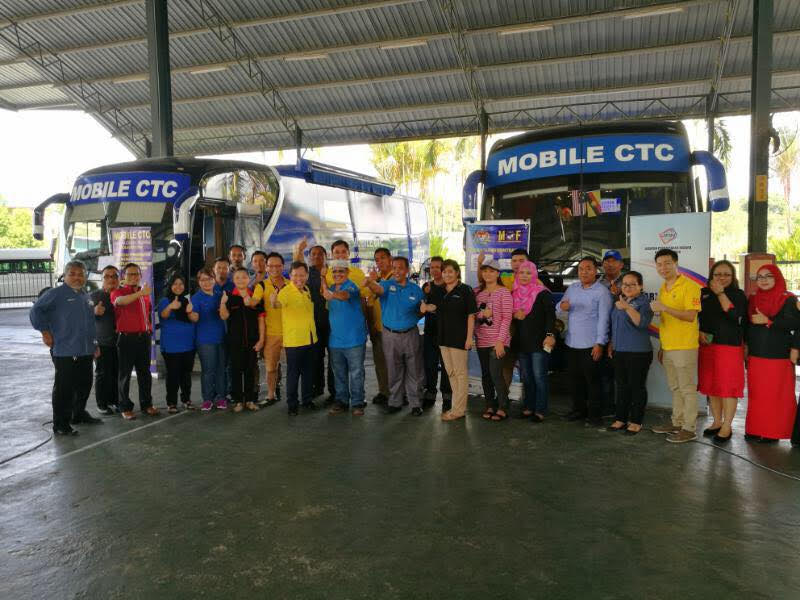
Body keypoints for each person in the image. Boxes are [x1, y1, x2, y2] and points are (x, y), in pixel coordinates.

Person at [30, 260, 100, 436]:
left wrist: (94, 344)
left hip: (85, 350)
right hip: (65, 350)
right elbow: (36, 311)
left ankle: (78, 414)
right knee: (64, 389)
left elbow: (90, 323)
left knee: (84, 385)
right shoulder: (56, 294)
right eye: (72, 274)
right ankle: (60, 424)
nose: (77, 277)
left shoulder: (85, 295)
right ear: (65, 276)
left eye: (81, 274)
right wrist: (45, 331)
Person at [649, 248, 702, 443]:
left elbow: (690, 316)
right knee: (675, 387)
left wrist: (665, 307)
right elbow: (666, 319)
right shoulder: (664, 288)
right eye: (659, 264)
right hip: (669, 346)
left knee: (687, 388)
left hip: (684, 346)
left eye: (667, 263)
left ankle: (689, 428)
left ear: (676, 264)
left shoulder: (690, 286)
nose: (663, 267)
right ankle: (677, 422)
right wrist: (663, 347)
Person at [744, 264, 800, 443]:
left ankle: (772, 433)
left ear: (777, 277)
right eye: (760, 277)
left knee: (775, 396)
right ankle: (755, 429)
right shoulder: (754, 299)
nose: (764, 280)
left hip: (778, 355)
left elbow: (795, 324)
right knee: (757, 395)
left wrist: (769, 321)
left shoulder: (788, 299)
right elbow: (748, 325)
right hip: (756, 354)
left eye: (769, 276)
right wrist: (746, 346)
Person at [365, 256, 424, 416]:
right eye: (394, 268)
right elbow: (378, 289)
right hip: (390, 335)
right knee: (393, 369)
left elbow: (421, 310)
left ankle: (415, 404)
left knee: (414, 370)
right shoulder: (386, 284)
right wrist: (370, 282)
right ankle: (395, 402)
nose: (397, 271)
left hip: (411, 334)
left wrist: (421, 312)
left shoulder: (416, 290)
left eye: (400, 268)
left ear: (407, 270)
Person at [698, 260, 747, 443]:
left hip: (729, 347)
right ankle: (717, 421)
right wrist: (699, 331)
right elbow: (698, 317)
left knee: (728, 388)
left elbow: (734, 315)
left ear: (733, 277)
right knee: (712, 386)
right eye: (718, 274)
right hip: (708, 346)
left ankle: (727, 426)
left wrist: (720, 293)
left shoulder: (738, 295)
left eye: (727, 274)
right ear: (712, 276)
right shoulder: (703, 293)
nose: (722, 278)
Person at [421, 260, 477, 421]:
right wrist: (426, 307)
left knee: (460, 374)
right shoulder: (440, 290)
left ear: (457, 272)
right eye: (444, 271)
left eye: (450, 271)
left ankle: (459, 410)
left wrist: (469, 338)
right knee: (451, 373)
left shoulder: (465, 290)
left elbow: (471, 315)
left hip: (459, 339)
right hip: (443, 338)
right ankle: (456, 407)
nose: (447, 274)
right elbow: (435, 307)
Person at [559, 256, 612, 426]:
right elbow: (559, 308)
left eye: (588, 268)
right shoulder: (572, 288)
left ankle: (595, 415)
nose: (584, 272)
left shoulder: (602, 292)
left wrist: (600, 343)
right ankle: (579, 410)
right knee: (575, 380)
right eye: (581, 269)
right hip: (571, 343)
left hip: (591, 345)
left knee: (593, 382)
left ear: (596, 271)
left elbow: (604, 320)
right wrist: (561, 307)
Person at [606, 271, 653, 435]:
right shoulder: (620, 300)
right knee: (622, 386)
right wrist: (612, 343)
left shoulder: (644, 303)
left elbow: (642, 323)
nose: (627, 287)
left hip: (638, 352)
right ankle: (620, 418)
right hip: (619, 350)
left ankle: (636, 421)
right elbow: (616, 324)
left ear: (640, 286)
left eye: (632, 284)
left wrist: (627, 307)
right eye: (625, 284)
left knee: (636, 387)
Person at [510, 261, 555, 422]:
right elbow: (509, 315)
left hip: (539, 342)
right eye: (522, 272)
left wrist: (550, 335)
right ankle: (529, 407)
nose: (524, 276)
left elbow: (551, 316)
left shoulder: (542, 293)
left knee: (539, 377)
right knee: (527, 377)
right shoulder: (514, 293)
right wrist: (514, 315)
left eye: (528, 273)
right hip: (522, 342)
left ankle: (540, 410)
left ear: (534, 275)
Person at [112, 263, 156, 420]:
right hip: (126, 339)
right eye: (130, 274)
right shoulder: (118, 292)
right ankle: (125, 407)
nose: (134, 277)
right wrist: (140, 293)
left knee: (145, 373)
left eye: (136, 274)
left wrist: (148, 329)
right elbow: (120, 302)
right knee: (124, 374)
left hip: (143, 338)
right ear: (123, 276)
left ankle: (146, 404)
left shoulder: (144, 293)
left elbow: (147, 313)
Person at [323, 260, 368, 415]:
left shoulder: (352, 286)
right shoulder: (330, 288)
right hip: (335, 340)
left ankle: (357, 403)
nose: (337, 274)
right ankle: (341, 401)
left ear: (347, 273)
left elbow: (344, 296)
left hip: (354, 340)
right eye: (334, 272)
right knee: (339, 373)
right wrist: (322, 279)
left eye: (341, 271)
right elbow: (326, 292)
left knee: (356, 373)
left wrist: (331, 295)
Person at [274, 261, 318, 416]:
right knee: (293, 374)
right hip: (294, 341)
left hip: (310, 338)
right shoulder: (286, 291)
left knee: (308, 373)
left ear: (307, 275)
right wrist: (273, 301)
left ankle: (307, 400)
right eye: (295, 275)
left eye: (301, 275)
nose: (298, 278)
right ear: (290, 276)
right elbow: (277, 304)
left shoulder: (307, 290)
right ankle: (292, 404)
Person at [294, 238, 335, 403]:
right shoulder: (307, 273)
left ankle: (334, 391)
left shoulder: (333, 272)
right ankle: (317, 388)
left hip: (332, 324)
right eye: (313, 254)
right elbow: (297, 265)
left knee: (334, 359)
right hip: (314, 324)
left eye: (320, 254)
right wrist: (299, 250)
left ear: (326, 256)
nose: (316, 256)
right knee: (316, 358)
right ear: (309, 257)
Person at [473, 258, 513, 421]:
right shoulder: (478, 293)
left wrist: (500, 341)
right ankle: (490, 405)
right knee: (486, 375)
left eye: (491, 271)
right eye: (485, 271)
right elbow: (474, 315)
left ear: (498, 273)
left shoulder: (504, 292)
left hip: (498, 341)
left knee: (496, 374)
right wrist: (482, 315)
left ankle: (503, 406)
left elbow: (507, 318)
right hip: (481, 340)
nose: (488, 274)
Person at [220, 267, 265, 413]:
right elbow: (224, 316)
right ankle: (238, 401)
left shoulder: (255, 297)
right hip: (234, 342)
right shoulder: (229, 296)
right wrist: (223, 303)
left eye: (244, 277)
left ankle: (250, 400)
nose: (241, 280)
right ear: (233, 280)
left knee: (250, 371)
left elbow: (261, 320)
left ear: (249, 279)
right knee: (236, 371)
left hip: (252, 341)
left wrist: (261, 340)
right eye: (237, 277)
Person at [157, 274, 198, 413]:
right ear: (170, 285)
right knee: (173, 376)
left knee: (186, 376)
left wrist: (190, 311)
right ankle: (171, 403)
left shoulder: (187, 301)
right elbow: (163, 315)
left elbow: (194, 319)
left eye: (181, 284)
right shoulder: (165, 300)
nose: (178, 286)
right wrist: (170, 306)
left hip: (189, 345)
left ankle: (186, 400)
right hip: (171, 346)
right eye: (175, 284)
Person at [251, 252, 287, 406]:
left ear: (283, 267)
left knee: (295, 367)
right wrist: (245, 298)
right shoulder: (261, 286)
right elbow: (253, 302)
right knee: (271, 368)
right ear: (266, 267)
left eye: (278, 265)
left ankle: (294, 396)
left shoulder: (291, 284)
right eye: (271, 266)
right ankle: (271, 395)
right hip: (271, 334)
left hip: (291, 333)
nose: (274, 269)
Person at [192, 267, 228, 412]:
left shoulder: (220, 295)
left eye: (209, 279)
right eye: (203, 280)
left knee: (221, 369)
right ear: (198, 282)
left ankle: (221, 397)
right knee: (208, 370)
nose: (206, 282)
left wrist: (223, 303)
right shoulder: (196, 298)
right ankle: (207, 399)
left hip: (221, 338)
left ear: (214, 279)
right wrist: (189, 313)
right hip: (205, 340)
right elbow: (194, 317)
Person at [361, 246, 391, 404]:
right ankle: (384, 391)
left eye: (383, 258)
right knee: (380, 362)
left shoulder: (395, 277)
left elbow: (384, 292)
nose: (380, 262)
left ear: (390, 259)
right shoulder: (375, 278)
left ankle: (400, 393)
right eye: (377, 260)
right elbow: (368, 300)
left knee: (395, 363)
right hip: (377, 327)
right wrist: (370, 325)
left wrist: (374, 282)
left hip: (393, 329)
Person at [422, 256, 452, 410]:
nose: (434, 270)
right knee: (430, 364)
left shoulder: (450, 287)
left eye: (438, 267)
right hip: (430, 332)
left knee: (447, 366)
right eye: (432, 267)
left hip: (446, 333)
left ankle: (447, 396)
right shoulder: (426, 287)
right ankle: (430, 393)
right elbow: (421, 306)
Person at [91, 265, 120, 415]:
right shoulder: (94, 296)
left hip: (120, 342)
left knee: (117, 373)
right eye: (107, 276)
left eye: (114, 276)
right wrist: (94, 311)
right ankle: (101, 404)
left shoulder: (122, 294)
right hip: (102, 343)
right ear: (102, 279)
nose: (111, 279)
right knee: (103, 374)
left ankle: (114, 401)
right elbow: (82, 317)